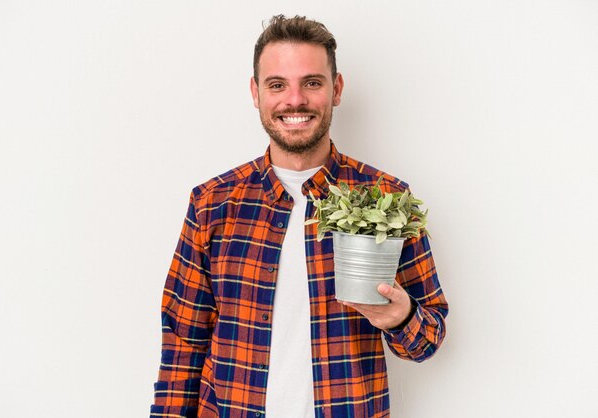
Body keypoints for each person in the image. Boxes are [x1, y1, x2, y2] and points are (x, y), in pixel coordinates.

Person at [150, 15, 448, 418]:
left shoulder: (387, 200)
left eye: (312, 82)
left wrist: (401, 316)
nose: (295, 100)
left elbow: (428, 337)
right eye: (277, 85)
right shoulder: (212, 204)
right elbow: (182, 345)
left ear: (336, 89)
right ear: (256, 93)